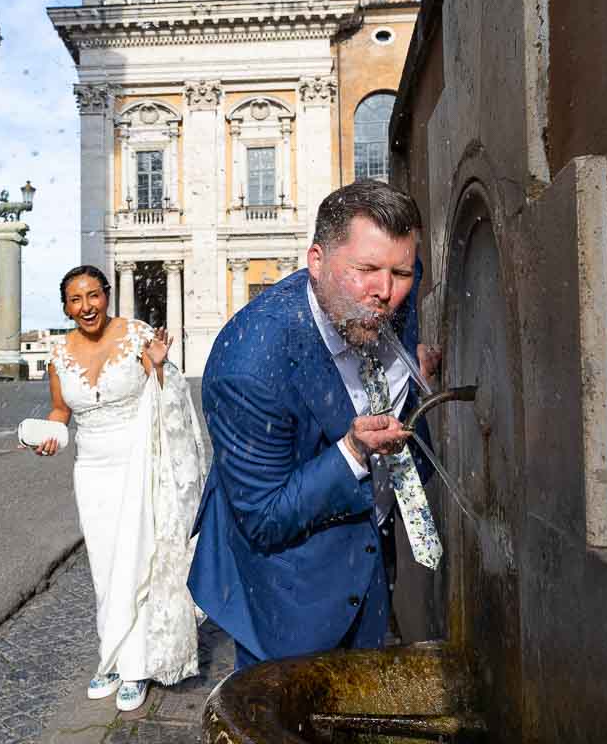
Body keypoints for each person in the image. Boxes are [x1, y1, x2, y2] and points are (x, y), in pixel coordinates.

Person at [186, 180, 440, 669]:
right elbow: (263, 517)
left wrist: (412, 375)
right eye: (365, 270)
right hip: (287, 582)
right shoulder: (250, 365)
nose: (384, 293)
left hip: (367, 552)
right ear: (317, 261)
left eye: (401, 272)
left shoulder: (389, 286)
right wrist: (351, 452)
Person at [33, 265, 206, 711]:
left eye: (93, 295)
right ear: (66, 306)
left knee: (138, 558)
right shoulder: (58, 352)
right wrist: (48, 435)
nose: (86, 306)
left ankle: (136, 666)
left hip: (140, 462)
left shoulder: (136, 334)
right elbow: (59, 410)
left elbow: (167, 393)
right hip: (91, 470)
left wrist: (162, 364)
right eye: (76, 299)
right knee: (105, 567)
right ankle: (109, 656)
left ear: (107, 295)